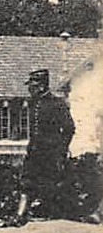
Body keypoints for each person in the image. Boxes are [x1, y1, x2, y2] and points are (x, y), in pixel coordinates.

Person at [18, 68, 77, 221]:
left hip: (51, 152)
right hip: (34, 151)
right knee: (27, 181)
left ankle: (49, 216)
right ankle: (20, 215)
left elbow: (69, 129)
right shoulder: (33, 103)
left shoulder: (57, 103)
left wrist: (61, 149)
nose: (30, 89)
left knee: (49, 183)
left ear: (42, 86)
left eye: (33, 85)